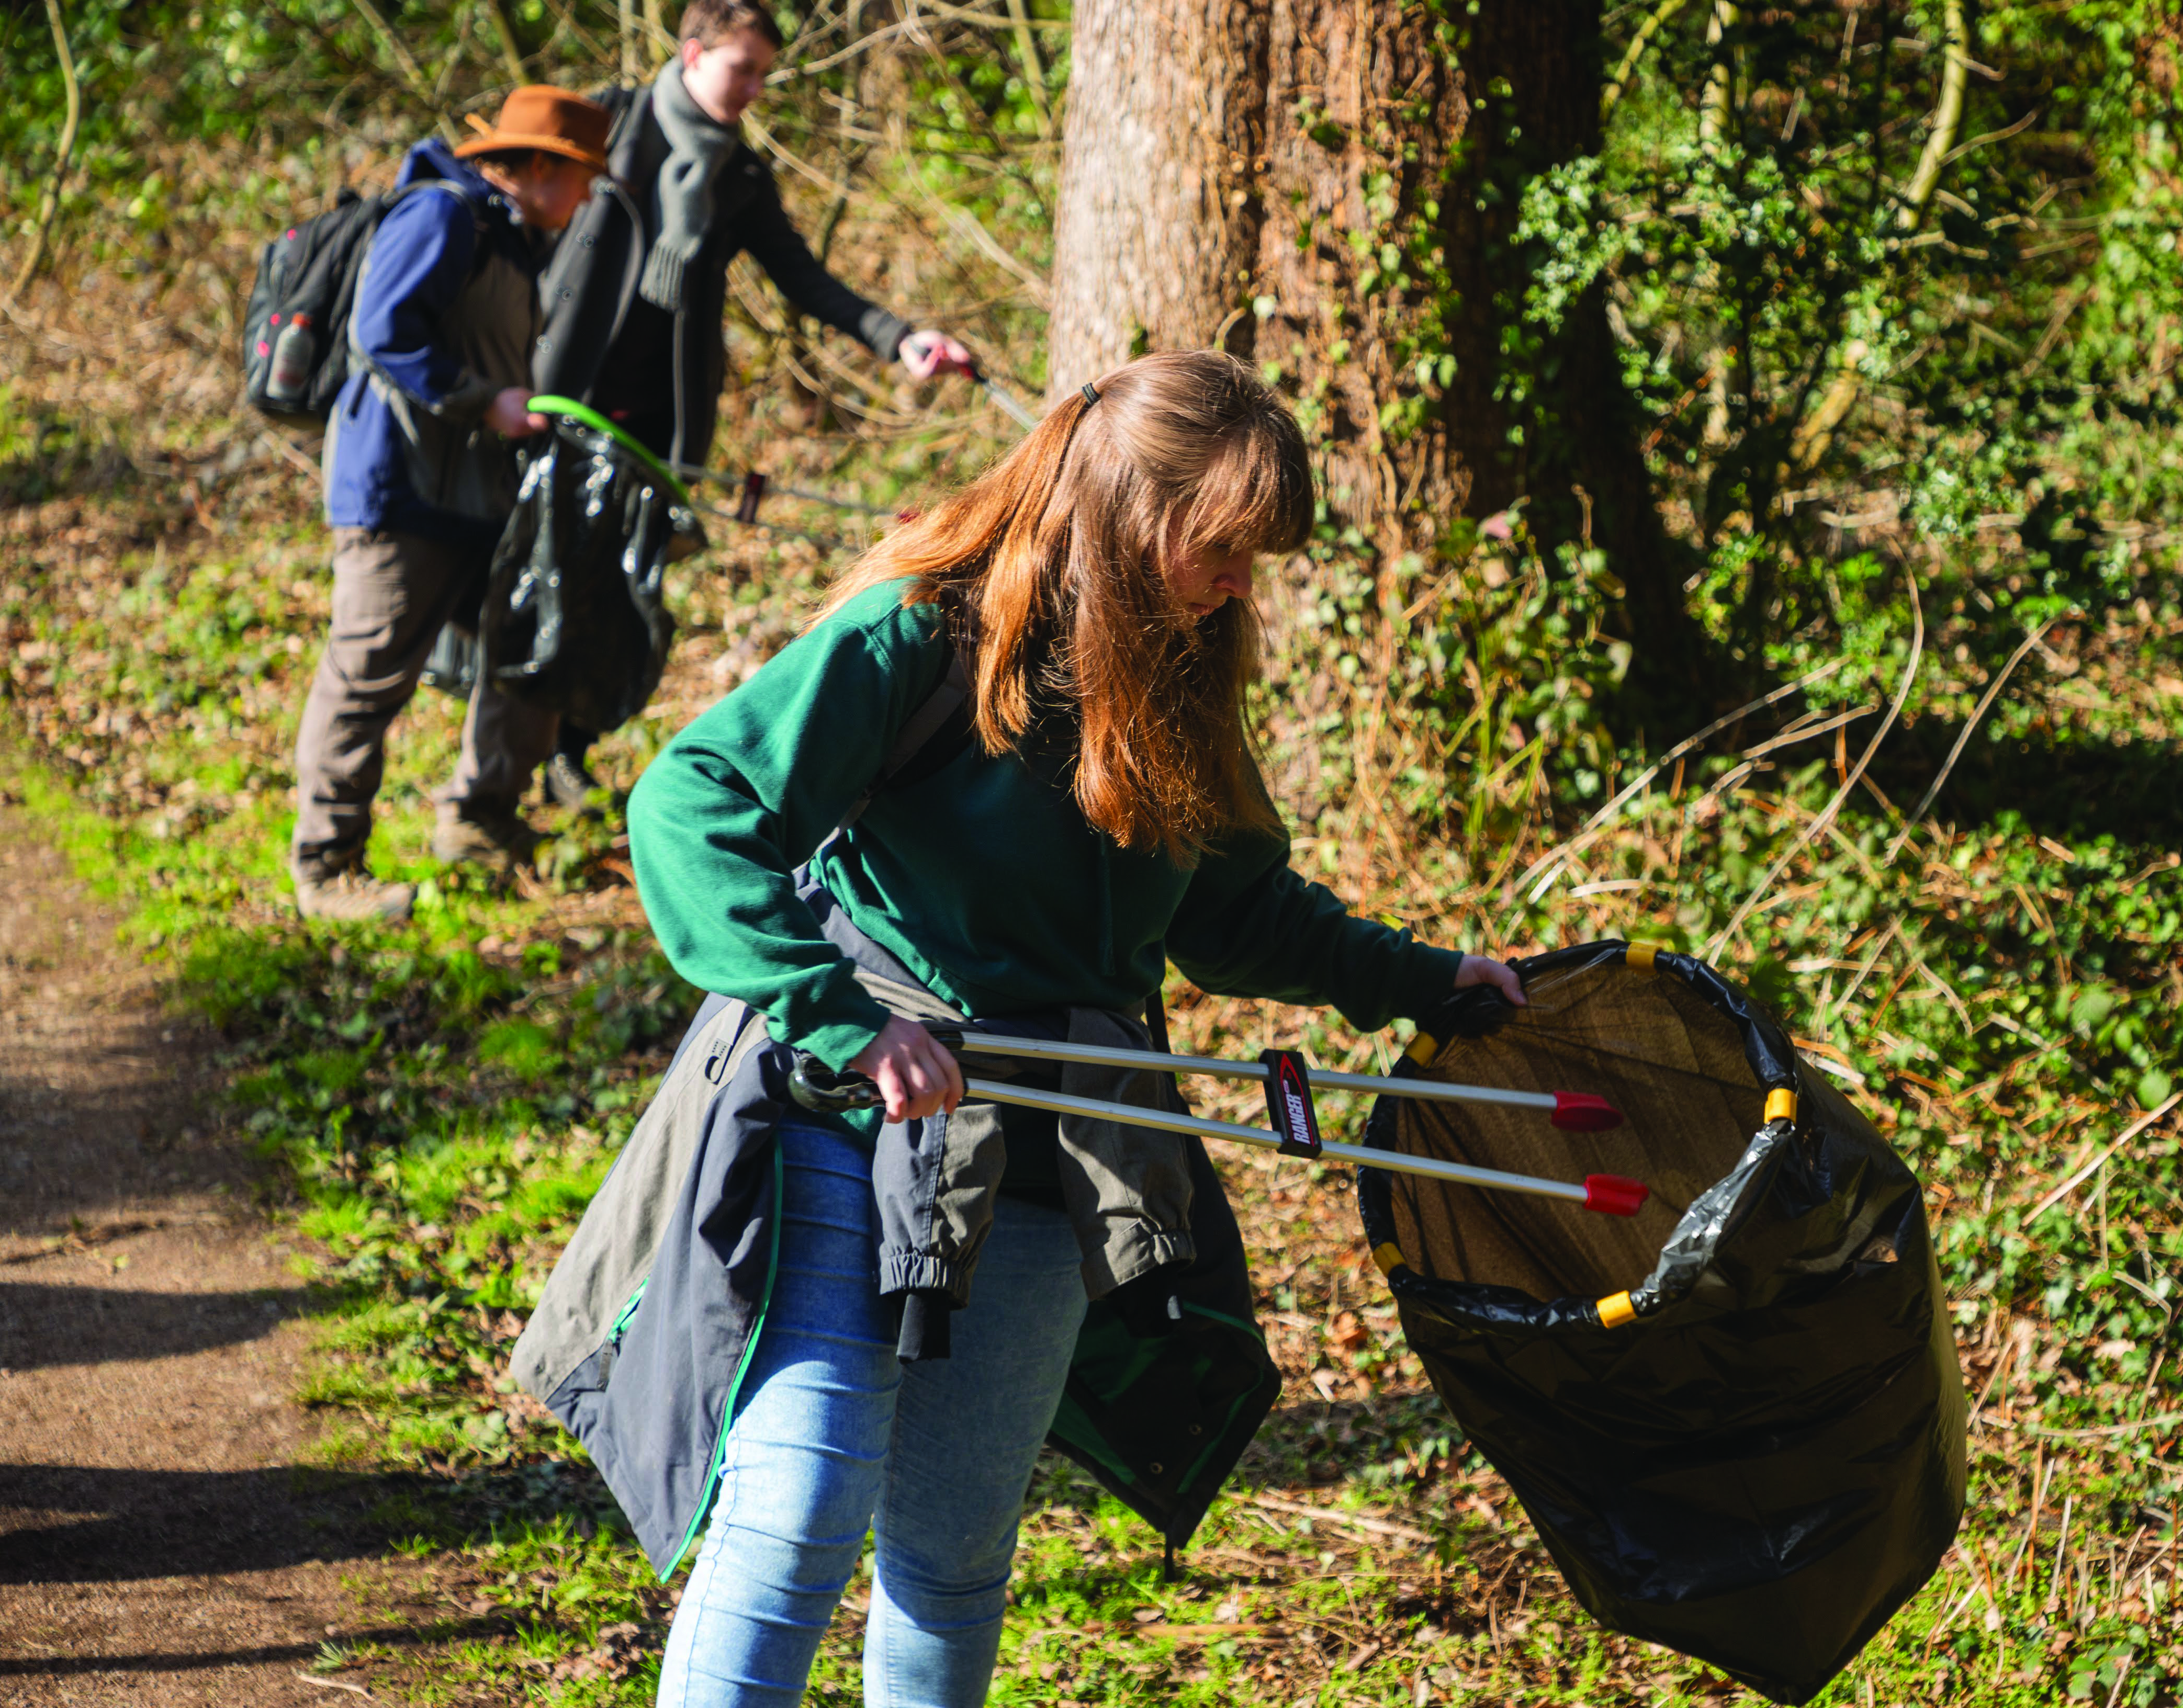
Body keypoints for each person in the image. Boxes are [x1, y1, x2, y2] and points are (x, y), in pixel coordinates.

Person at [624, 350, 1526, 1708]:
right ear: (1127, 512)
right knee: (799, 1509)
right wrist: (840, 1017)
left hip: (1062, 1137)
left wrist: (1422, 977)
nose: (1240, 584)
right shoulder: (921, 638)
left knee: (953, 1553)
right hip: (851, 1116)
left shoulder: (1183, 681)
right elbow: (690, 804)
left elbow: (1236, 913)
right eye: (1221, 548)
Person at [529, 0, 978, 808]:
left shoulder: (736, 177)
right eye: (743, 69)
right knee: (538, 570)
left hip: (657, 425)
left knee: (621, 591)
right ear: (692, 53)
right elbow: (526, 213)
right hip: (559, 396)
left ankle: (568, 751)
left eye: (764, 74)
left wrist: (900, 338)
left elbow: (802, 278)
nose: (754, 90)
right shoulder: (611, 124)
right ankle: (497, 768)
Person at [290, 87, 613, 922]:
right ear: (536, 166)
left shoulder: (508, 239)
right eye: (582, 178)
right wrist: (485, 401)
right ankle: (326, 870)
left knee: (535, 642)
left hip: (475, 497)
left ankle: (478, 820)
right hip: (398, 491)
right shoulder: (442, 215)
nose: (587, 198)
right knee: (367, 676)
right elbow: (381, 332)